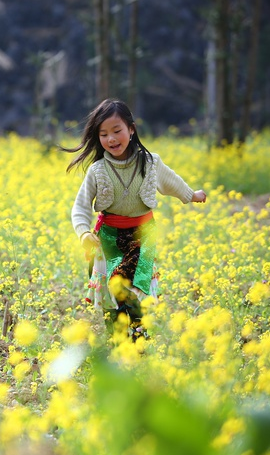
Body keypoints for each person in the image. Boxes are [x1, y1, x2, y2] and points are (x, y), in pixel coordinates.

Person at [64, 99, 207, 339]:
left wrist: (191, 195)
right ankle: (119, 341)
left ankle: (139, 339)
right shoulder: (97, 170)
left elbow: (171, 182)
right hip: (108, 237)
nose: (111, 139)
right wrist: (84, 232)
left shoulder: (150, 162)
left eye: (117, 131)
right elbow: (80, 206)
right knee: (113, 290)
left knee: (134, 285)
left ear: (131, 129)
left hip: (142, 235)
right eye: (104, 134)